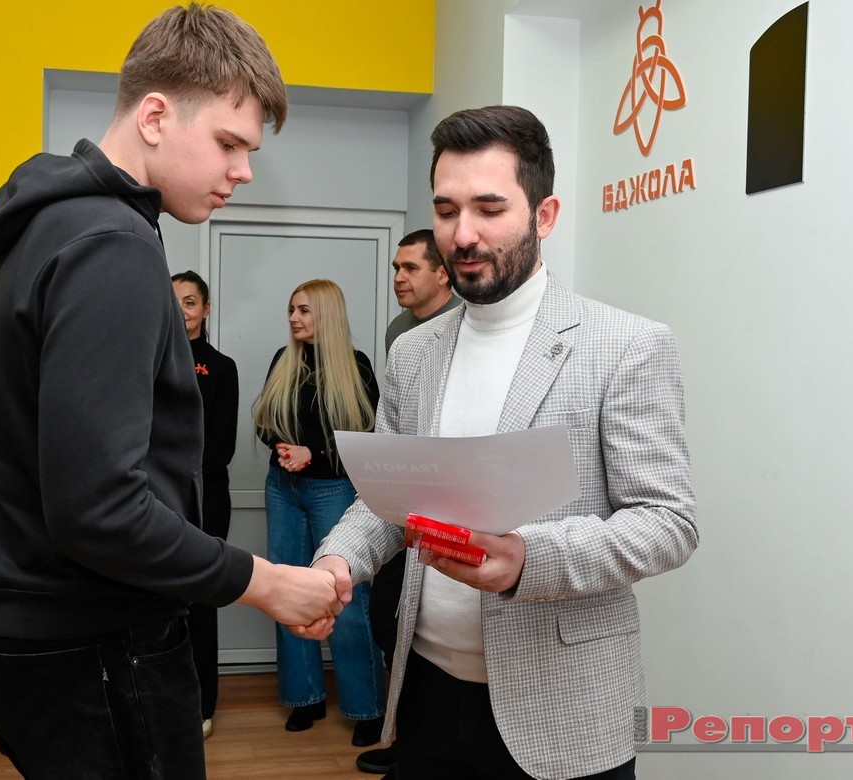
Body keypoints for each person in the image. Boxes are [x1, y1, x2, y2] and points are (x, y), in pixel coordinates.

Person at [0, 6, 341, 779]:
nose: (243, 171)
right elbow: (100, 509)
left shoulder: (51, 228)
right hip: (95, 643)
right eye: (229, 143)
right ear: (156, 117)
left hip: (37, 638)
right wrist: (266, 583)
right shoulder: (112, 244)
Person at [314, 105, 698, 780]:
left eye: (489, 209)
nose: (463, 234)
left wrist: (529, 560)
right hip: (426, 695)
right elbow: (387, 498)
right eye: (447, 210)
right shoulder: (412, 352)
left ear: (544, 216)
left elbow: (667, 523)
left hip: (565, 711)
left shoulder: (627, 346)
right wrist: (337, 562)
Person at [253, 279, 386, 747]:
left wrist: (316, 455)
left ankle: (367, 707)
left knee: (345, 598)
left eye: (304, 310)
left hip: (334, 489)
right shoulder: (283, 360)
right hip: (282, 488)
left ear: (326, 314)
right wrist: (282, 448)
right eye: (292, 309)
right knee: (286, 590)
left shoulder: (356, 367)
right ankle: (304, 697)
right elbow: (266, 422)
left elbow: (367, 441)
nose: (294, 318)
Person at [358, 228, 460, 777]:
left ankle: (409, 742)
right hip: (403, 503)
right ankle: (404, 739)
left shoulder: (464, 326)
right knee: (386, 617)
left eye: (410, 268)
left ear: (443, 274)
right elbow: (395, 428)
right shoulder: (401, 333)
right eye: (395, 267)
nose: (398, 277)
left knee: (415, 623)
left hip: (448, 507)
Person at [171, 270, 239, 740]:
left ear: (206, 309)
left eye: (190, 302)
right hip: (155, 502)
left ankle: (201, 705)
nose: (181, 311)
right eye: (173, 301)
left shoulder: (220, 367)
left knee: (200, 603)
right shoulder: (147, 359)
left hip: (206, 501)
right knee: (158, 604)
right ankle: (165, 702)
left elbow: (221, 449)